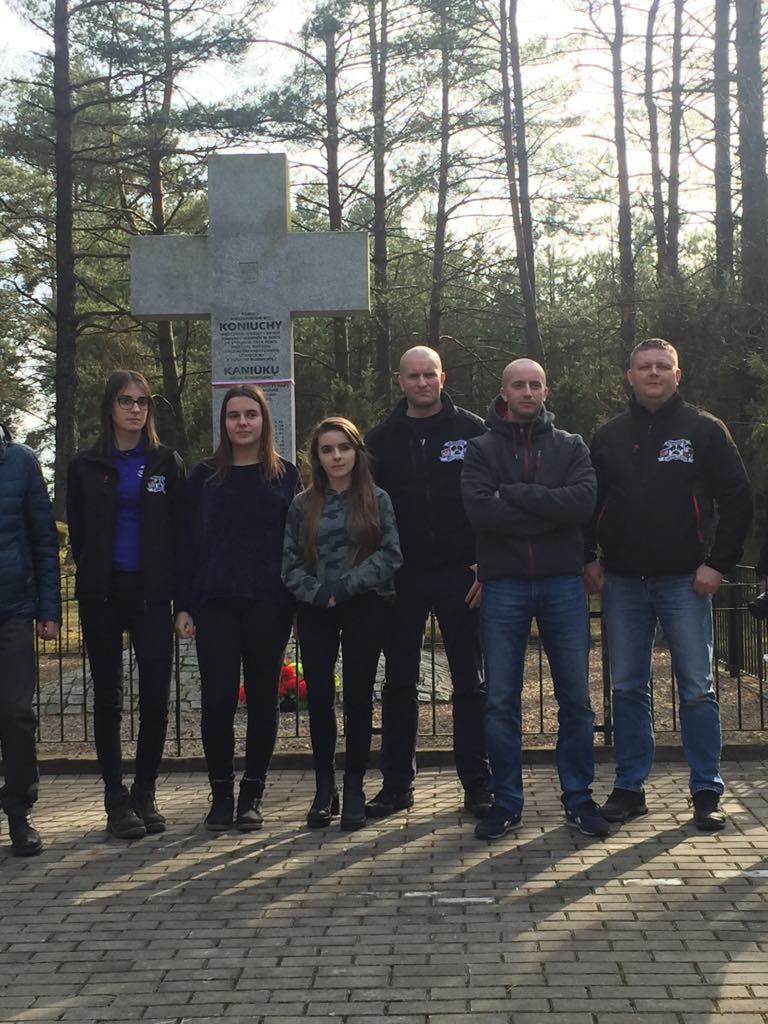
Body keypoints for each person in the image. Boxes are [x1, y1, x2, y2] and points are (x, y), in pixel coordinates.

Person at [584, 338, 753, 831]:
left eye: (663, 366)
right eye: (645, 366)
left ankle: (706, 790)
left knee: (697, 689)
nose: (654, 373)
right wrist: (587, 558)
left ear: (678, 375)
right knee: (627, 687)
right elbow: (588, 503)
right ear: (630, 375)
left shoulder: (705, 430)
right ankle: (629, 787)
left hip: (686, 581)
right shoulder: (608, 436)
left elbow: (738, 499)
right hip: (622, 582)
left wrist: (718, 564)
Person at [461, 359, 609, 840]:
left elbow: (582, 504)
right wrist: (549, 509)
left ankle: (579, 797)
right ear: (503, 392)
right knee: (500, 701)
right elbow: (480, 512)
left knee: (576, 699)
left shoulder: (571, 445)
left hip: (562, 584)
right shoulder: (481, 449)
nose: (527, 392)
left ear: (546, 391)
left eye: (535, 384)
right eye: (519, 385)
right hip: (503, 586)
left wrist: (515, 493)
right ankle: (506, 801)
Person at [364, 346, 491, 820]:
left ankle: (478, 783)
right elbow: (367, 510)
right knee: (399, 682)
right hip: (403, 575)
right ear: (399, 381)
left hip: (463, 573)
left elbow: (493, 499)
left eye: (429, 375)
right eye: (413, 376)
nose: (422, 383)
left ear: (443, 377)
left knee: (471, 683)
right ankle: (396, 785)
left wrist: (486, 564)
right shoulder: (380, 439)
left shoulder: (473, 431)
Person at [175, 385, 299, 832]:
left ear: (264, 420)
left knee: (263, 700)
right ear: (223, 422)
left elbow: (297, 542)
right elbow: (186, 544)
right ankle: (222, 792)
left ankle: (252, 793)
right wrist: (184, 605)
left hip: (269, 604)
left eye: (251, 414)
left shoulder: (285, 475)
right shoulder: (204, 476)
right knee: (217, 701)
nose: (242, 423)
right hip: (215, 605)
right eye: (234, 415)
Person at [67, 371, 184, 839]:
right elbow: (79, 534)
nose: (135, 409)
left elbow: (179, 531)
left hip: (151, 594)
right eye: (126, 400)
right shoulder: (85, 464)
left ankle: (144, 792)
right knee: (108, 698)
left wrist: (178, 596)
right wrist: (97, 572)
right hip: (103, 594)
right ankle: (115, 799)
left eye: (143, 401)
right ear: (109, 407)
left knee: (155, 697)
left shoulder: (165, 463)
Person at [282, 417, 402, 831]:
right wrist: (318, 593)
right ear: (317, 457)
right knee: (319, 697)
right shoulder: (302, 505)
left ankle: (354, 787)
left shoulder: (376, 499)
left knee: (358, 697)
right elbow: (288, 563)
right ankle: (324, 789)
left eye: (344, 448)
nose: (336, 456)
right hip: (315, 608)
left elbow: (391, 554)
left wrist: (345, 587)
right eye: (327, 450)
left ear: (356, 452)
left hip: (364, 606)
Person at [0, 423, 60, 856]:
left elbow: (43, 538)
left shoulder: (20, 460)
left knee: (17, 714)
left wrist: (49, 609)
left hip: (13, 609)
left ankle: (19, 812)